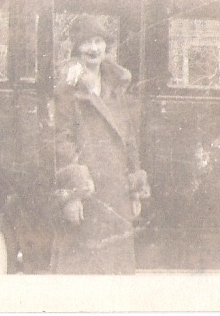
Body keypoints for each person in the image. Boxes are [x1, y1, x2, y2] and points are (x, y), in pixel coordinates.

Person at [51, 16, 150, 274]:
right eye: (87, 43)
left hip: (116, 195)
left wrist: (135, 190)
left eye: (98, 41)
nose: (93, 48)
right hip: (89, 194)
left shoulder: (116, 86)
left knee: (117, 276)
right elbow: (61, 141)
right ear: (77, 48)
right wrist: (73, 194)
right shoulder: (67, 88)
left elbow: (128, 140)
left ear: (106, 46)